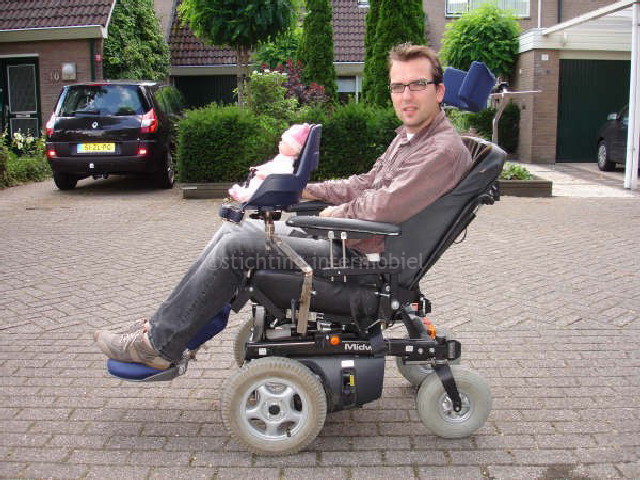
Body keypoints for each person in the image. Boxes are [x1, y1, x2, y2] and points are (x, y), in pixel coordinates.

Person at [94, 43, 472, 369]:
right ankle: (162, 326)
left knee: (238, 245)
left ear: (439, 91)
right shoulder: (411, 138)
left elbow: (382, 206)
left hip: (366, 264)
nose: (406, 96)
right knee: (237, 229)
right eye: (398, 86)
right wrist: (307, 190)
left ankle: (158, 346)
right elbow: (364, 184)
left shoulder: (440, 149)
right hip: (355, 247)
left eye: (417, 85)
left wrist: (333, 216)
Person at [229, 123, 311, 202]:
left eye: (284, 142)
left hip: (273, 187)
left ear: (293, 150)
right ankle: (244, 193)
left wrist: (266, 176)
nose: (280, 142)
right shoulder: (282, 157)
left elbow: (283, 176)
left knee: (258, 184)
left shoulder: (287, 163)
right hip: (270, 184)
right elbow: (270, 165)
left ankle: (245, 196)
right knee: (256, 181)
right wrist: (258, 168)